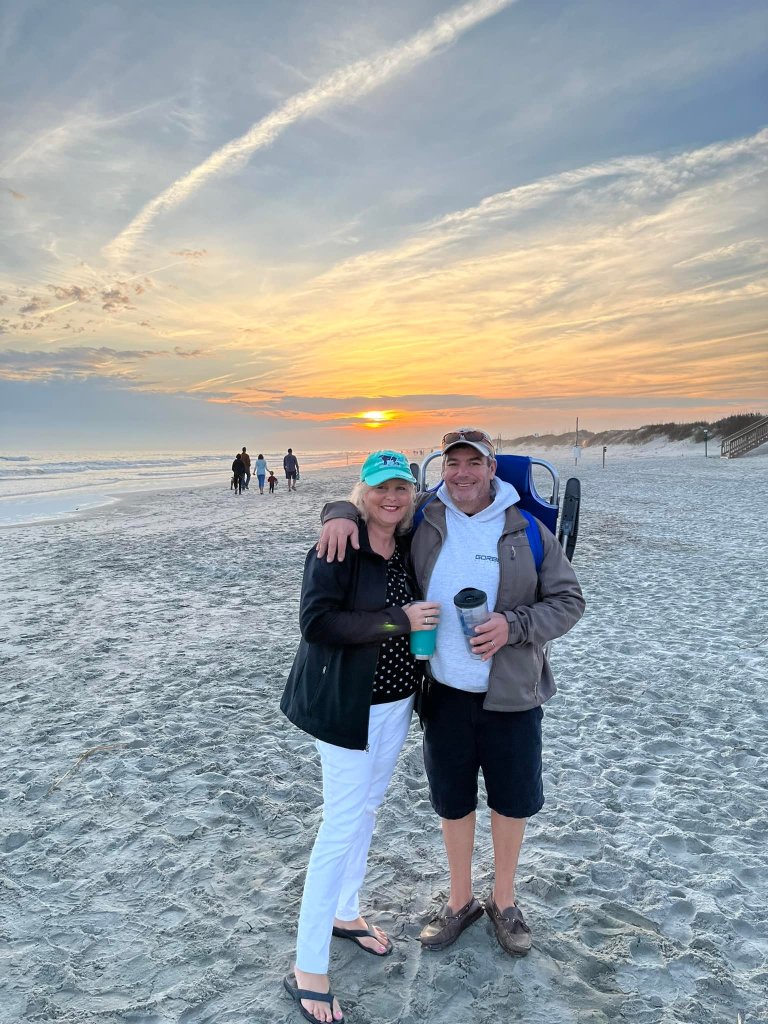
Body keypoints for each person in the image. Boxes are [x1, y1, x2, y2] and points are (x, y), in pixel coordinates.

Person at [317, 428, 585, 958]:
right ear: (442, 470)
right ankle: (460, 900)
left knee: (511, 801)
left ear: (492, 469)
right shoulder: (425, 518)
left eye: (473, 463)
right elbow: (376, 509)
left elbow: (569, 601)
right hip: (442, 691)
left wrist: (513, 625)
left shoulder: (527, 528)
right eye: (453, 463)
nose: (462, 473)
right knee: (453, 801)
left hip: (512, 693)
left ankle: (503, 900)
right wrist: (337, 512)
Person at [281, 450, 440, 1023]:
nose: (391, 497)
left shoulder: (408, 542)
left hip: (397, 703)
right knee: (341, 823)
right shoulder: (338, 544)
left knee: (368, 810)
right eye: (379, 488)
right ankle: (307, 967)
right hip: (347, 706)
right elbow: (317, 623)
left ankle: (345, 913)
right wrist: (399, 619)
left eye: (401, 487)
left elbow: (463, 500)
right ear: (362, 492)